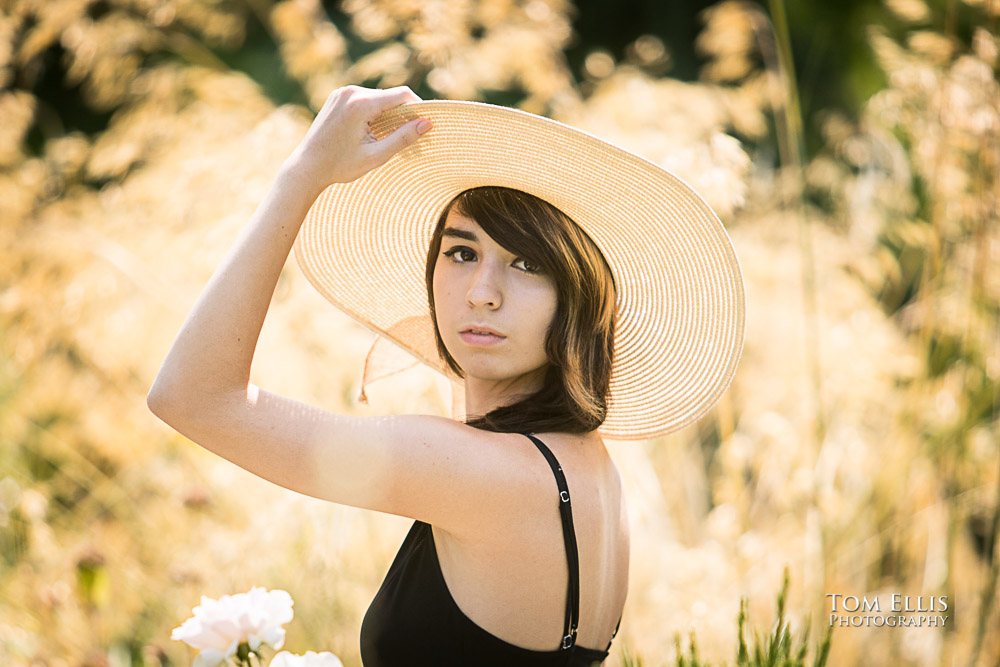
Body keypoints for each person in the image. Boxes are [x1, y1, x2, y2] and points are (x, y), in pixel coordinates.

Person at [148, 85, 745, 665]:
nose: (482, 293)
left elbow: (193, 395)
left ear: (578, 297)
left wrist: (300, 176)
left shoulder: (473, 469)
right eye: (461, 253)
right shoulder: (590, 467)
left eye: (528, 263)